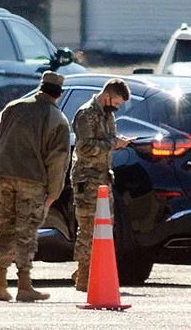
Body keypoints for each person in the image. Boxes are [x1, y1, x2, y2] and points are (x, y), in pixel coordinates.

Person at [0, 70, 70, 302]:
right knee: (26, 231)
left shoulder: (12, 107)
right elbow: (58, 160)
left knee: (5, 228)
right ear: (59, 94)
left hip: (2, 175)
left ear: (41, 87)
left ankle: (0, 284)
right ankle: (24, 285)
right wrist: (53, 194)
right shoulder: (57, 118)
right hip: (32, 180)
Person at [70, 77, 131, 292]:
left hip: (103, 179)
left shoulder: (107, 115)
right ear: (106, 96)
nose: (117, 107)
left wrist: (118, 141)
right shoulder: (86, 114)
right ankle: (83, 277)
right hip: (87, 180)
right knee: (88, 229)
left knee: (104, 229)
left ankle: (90, 272)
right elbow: (85, 147)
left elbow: (107, 139)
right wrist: (114, 143)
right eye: (116, 102)